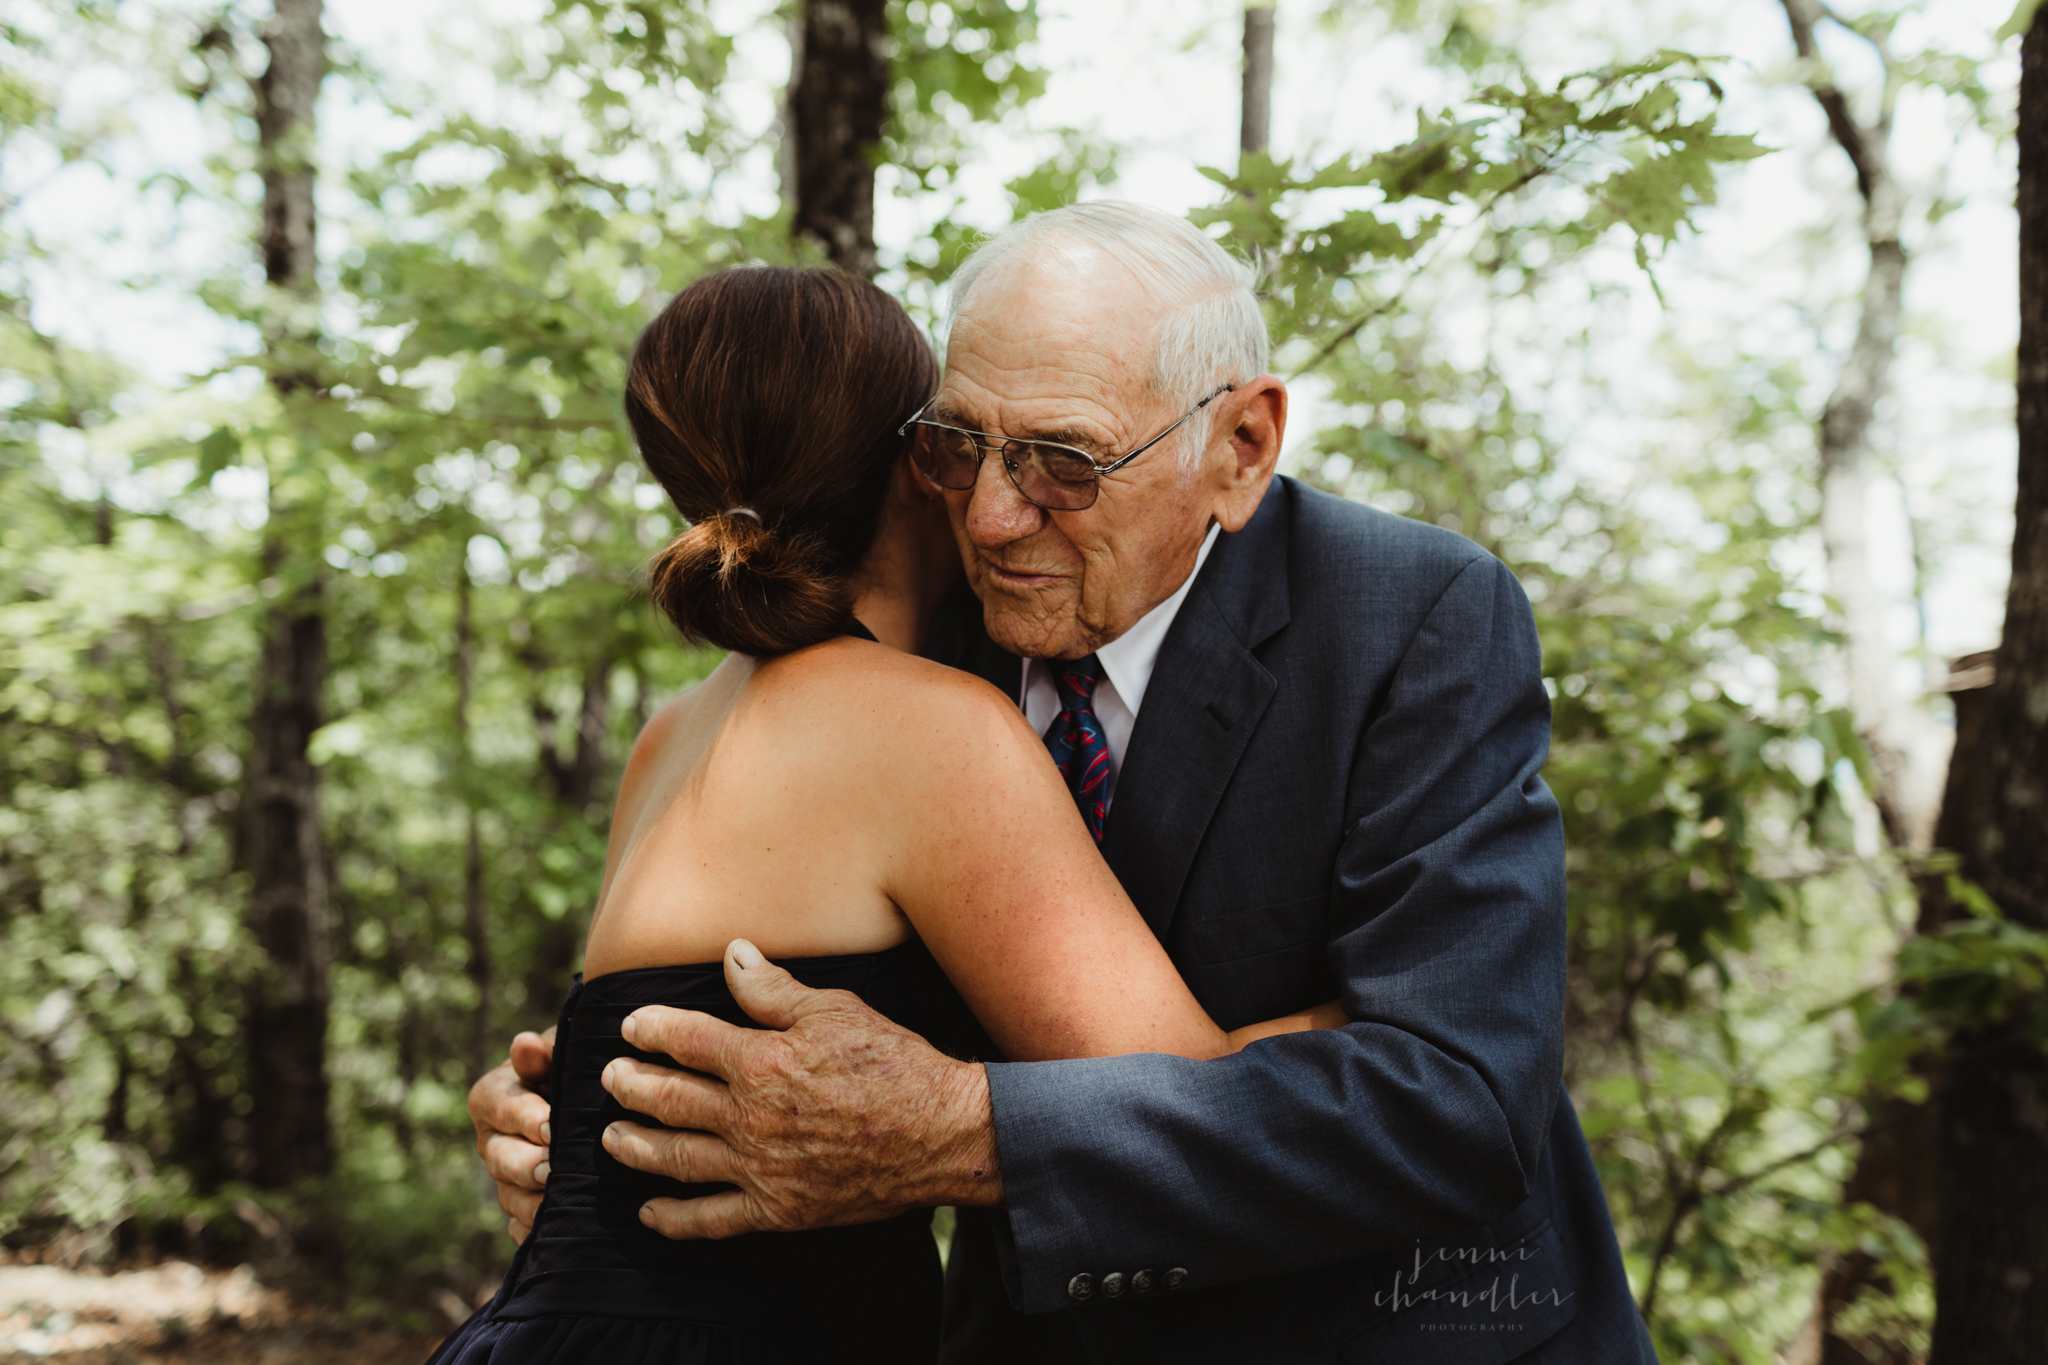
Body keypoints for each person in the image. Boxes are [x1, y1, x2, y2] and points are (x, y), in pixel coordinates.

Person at [472, 202, 1659, 1363]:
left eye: (1063, 463)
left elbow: (1457, 1101)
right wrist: (594, 1120)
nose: (991, 516)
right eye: (954, 445)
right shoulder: (906, 657)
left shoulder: (1409, 619)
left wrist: (966, 1132)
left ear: (1237, 447)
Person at [430, 263, 1345, 1365]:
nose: (995, 495)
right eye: (957, 440)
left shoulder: (675, 732)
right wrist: (1389, 1036)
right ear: (917, 468)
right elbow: (1177, 1110)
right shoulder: (930, 730)